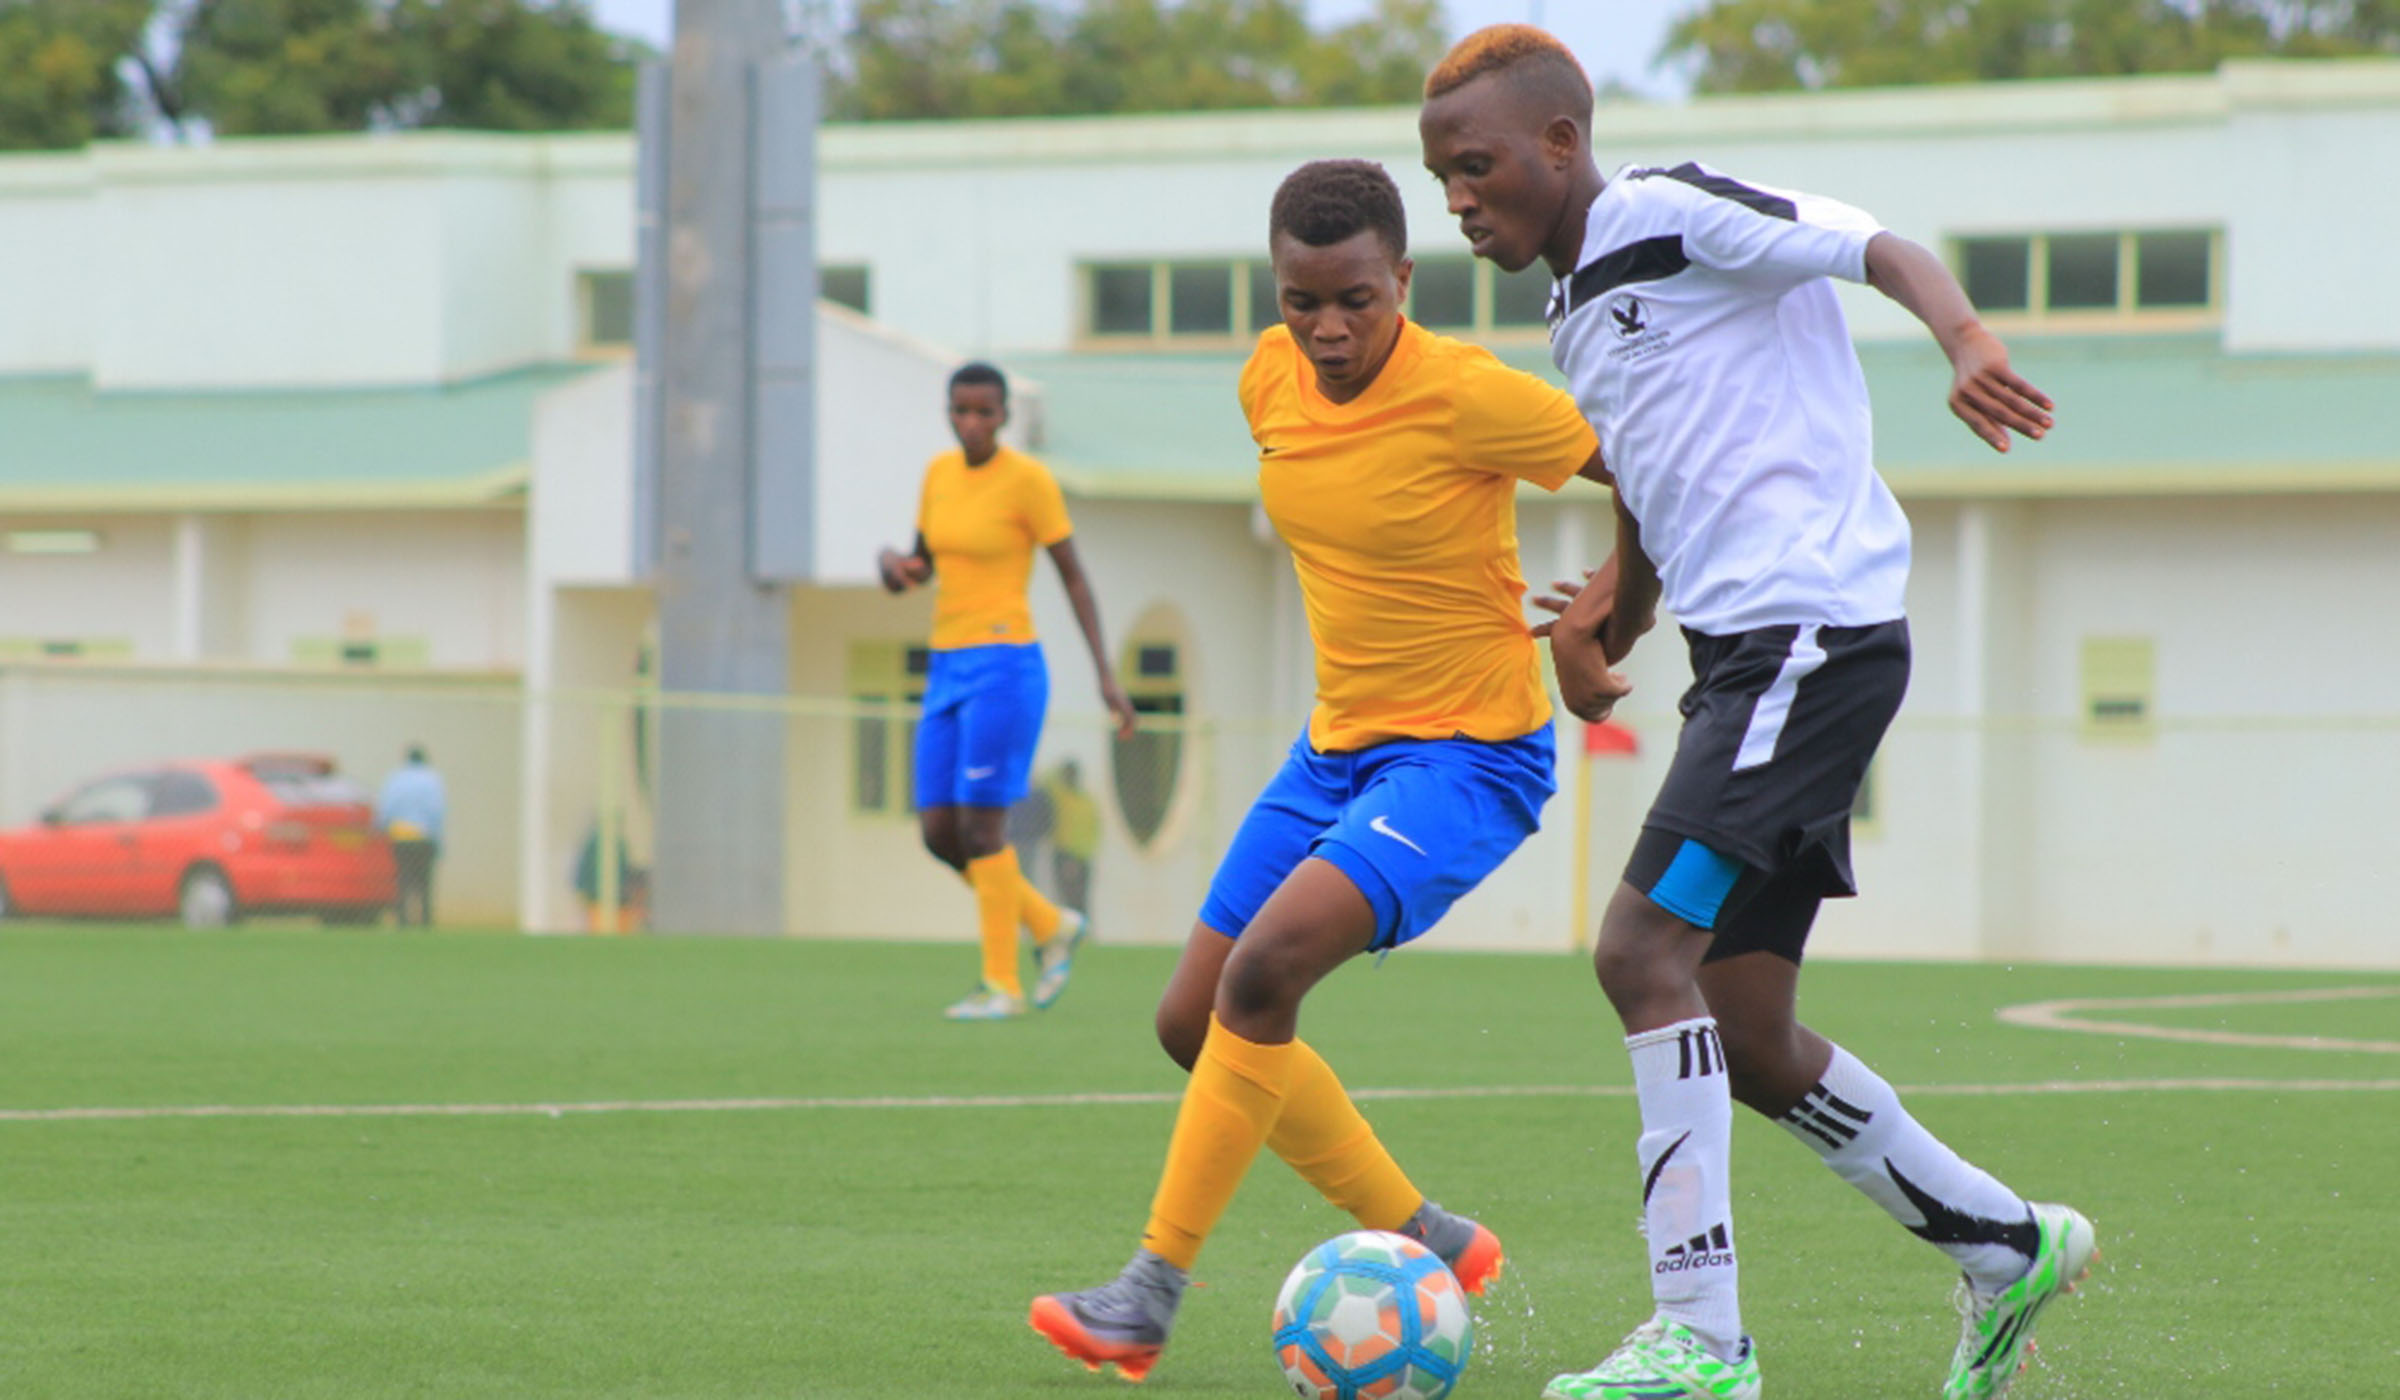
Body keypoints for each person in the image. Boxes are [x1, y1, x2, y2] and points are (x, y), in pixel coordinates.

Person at [1419, 26, 2095, 1400]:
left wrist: (1963, 338)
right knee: (1742, 1028)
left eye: (1477, 168)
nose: (1460, 200)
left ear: (1561, 142)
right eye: (1442, 179)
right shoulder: (1570, 317)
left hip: (1811, 637)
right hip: (1748, 661)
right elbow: (1657, 481)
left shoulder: (1670, 215)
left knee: (1634, 952)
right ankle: (2005, 1242)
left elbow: (1872, 245)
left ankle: (1702, 1337)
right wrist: (1612, 618)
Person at [1029, 159, 1610, 1383]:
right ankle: (1434, 1237)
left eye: (1356, 297)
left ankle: (1147, 1293)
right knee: (1191, 1018)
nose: (1329, 328)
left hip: (1470, 756)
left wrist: (1608, 608)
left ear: (1403, 277)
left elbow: (1652, 471)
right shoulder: (1267, 378)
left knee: (1268, 968)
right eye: (1303, 300)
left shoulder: (1471, 395)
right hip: (1333, 751)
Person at [877, 362, 1139, 1020]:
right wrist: (894, 569)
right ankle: (1051, 924)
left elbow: (1074, 578)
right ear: (948, 413)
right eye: (959, 411)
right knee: (940, 831)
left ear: (1003, 416)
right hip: (945, 665)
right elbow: (923, 564)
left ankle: (1003, 985)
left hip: (1004, 662)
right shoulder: (937, 475)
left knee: (981, 824)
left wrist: (1106, 673)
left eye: (983, 412)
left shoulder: (1028, 482)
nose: (971, 423)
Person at [376, 744, 446, 928]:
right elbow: (437, 811)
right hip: (424, 837)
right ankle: (425, 922)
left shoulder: (396, 778)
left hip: (401, 836)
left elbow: (387, 807)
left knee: (403, 881)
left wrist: (381, 829)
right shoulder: (432, 779)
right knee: (424, 884)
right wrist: (439, 841)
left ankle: (403, 921)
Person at [1037, 759, 1099, 913]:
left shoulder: (1079, 799)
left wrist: (1076, 859)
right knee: (1067, 897)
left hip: (1075, 856)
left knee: (1076, 898)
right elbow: (1044, 779)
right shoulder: (1067, 796)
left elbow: (1094, 831)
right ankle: (1074, 931)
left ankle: (1079, 931)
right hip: (1067, 853)